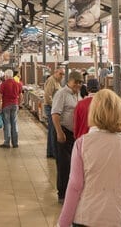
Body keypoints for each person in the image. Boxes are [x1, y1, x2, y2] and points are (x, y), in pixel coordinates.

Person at [58, 89, 121, 227]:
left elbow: (75, 186)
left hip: (87, 217)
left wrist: (63, 223)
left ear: (94, 112)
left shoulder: (82, 144)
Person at [51, 70, 82, 203]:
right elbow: (55, 114)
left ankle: (71, 192)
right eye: (76, 82)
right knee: (63, 164)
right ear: (69, 81)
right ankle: (62, 194)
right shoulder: (61, 94)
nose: (78, 85)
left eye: (80, 82)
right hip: (63, 131)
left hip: (73, 134)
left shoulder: (77, 94)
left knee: (72, 164)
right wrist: (59, 132)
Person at [0, 69, 23, 148]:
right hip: (15, 105)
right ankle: (15, 143)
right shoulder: (18, 84)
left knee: (7, 124)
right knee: (14, 124)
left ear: (6, 76)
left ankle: (7, 142)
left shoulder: (3, 84)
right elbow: (21, 96)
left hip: (6, 106)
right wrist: (18, 104)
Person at [43, 67, 65, 159]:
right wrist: (55, 107)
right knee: (53, 130)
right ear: (55, 72)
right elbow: (48, 96)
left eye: (63, 74)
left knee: (52, 130)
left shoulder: (57, 82)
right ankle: (54, 153)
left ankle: (50, 152)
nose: (62, 76)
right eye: (60, 74)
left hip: (53, 108)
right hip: (51, 108)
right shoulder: (51, 81)